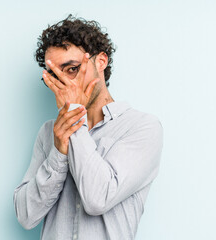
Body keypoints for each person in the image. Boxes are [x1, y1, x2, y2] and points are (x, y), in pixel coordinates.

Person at [13, 14, 163, 240]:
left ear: (100, 61)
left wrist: (75, 121)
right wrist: (58, 153)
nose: (64, 84)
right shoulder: (49, 133)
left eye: (71, 69)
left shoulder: (142, 127)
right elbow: (26, 216)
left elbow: (98, 198)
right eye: (55, 75)